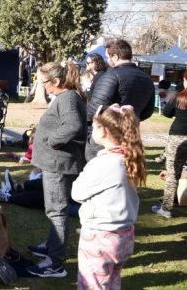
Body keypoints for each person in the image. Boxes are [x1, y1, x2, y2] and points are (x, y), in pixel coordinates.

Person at [72, 104, 146, 289]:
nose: (91, 130)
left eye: (94, 126)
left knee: (93, 284)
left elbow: (77, 192)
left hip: (101, 237)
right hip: (124, 235)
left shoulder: (103, 164)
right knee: (112, 280)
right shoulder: (129, 158)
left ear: (103, 131)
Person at [27, 61, 87, 278]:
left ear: (57, 81)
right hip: (56, 164)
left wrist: (53, 141)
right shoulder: (66, 97)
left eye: (44, 82)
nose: (42, 86)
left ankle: (55, 263)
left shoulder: (68, 98)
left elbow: (73, 126)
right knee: (54, 209)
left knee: (57, 211)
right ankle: (52, 246)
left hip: (59, 165)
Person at [86, 39, 155, 161]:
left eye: (108, 57)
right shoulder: (147, 79)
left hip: (107, 135)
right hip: (130, 134)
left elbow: (94, 108)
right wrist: (129, 121)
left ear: (115, 57)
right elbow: (148, 111)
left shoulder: (111, 76)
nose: (107, 60)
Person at [153, 69, 187, 218]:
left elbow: (166, 112)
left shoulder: (178, 97)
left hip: (178, 136)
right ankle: (172, 200)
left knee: (173, 172)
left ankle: (166, 208)